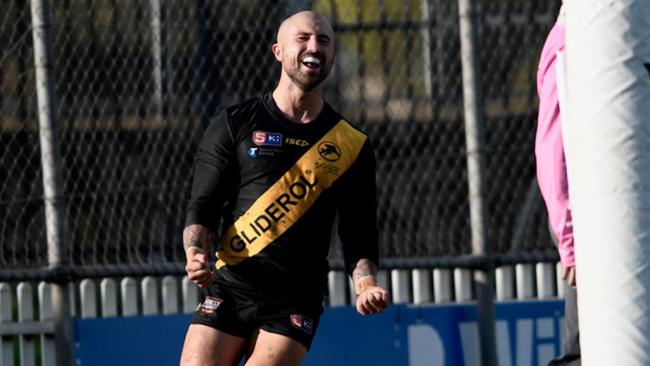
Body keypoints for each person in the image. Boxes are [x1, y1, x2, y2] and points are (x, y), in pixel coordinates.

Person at [179, 10, 390, 366]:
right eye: (303, 38)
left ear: (333, 56)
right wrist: (195, 252)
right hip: (230, 285)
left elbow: (360, 232)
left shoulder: (351, 144)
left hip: (295, 300)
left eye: (324, 41)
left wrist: (366, 284)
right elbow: (204, 203)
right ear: (278, 51)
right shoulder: (235, 123)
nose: (314, 47)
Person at [535, 3, 581, 365]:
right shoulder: (571, 43)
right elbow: (553, 152)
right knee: (591, 346)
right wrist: (571, 242)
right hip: (589, 222)